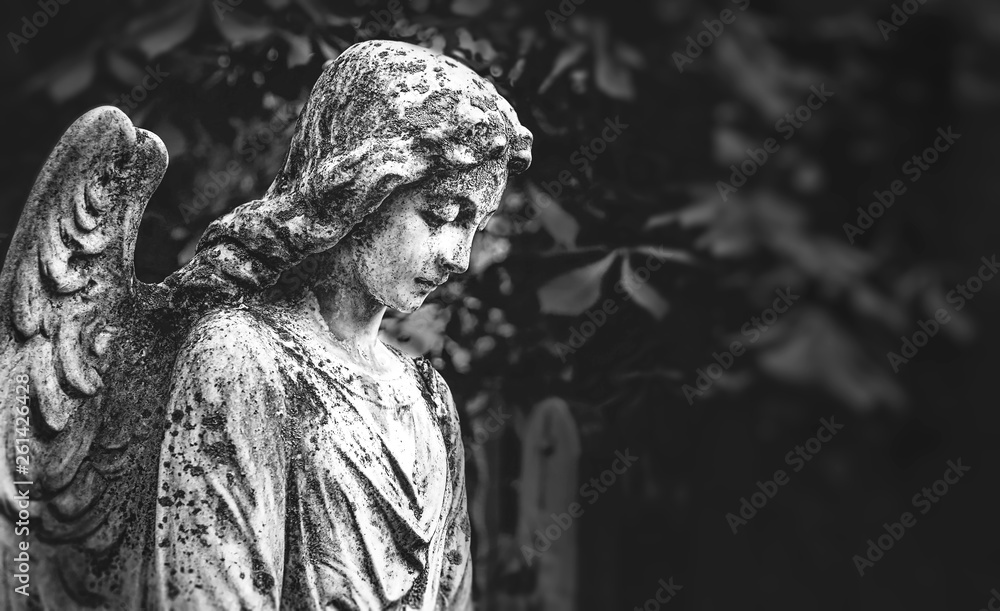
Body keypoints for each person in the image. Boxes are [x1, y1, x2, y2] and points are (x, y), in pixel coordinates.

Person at [151, 40, 532, 609]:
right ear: (362, 190)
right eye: (443, 215)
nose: (459, 258)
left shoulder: (428, 399)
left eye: (476, 225)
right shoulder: (242, 361)